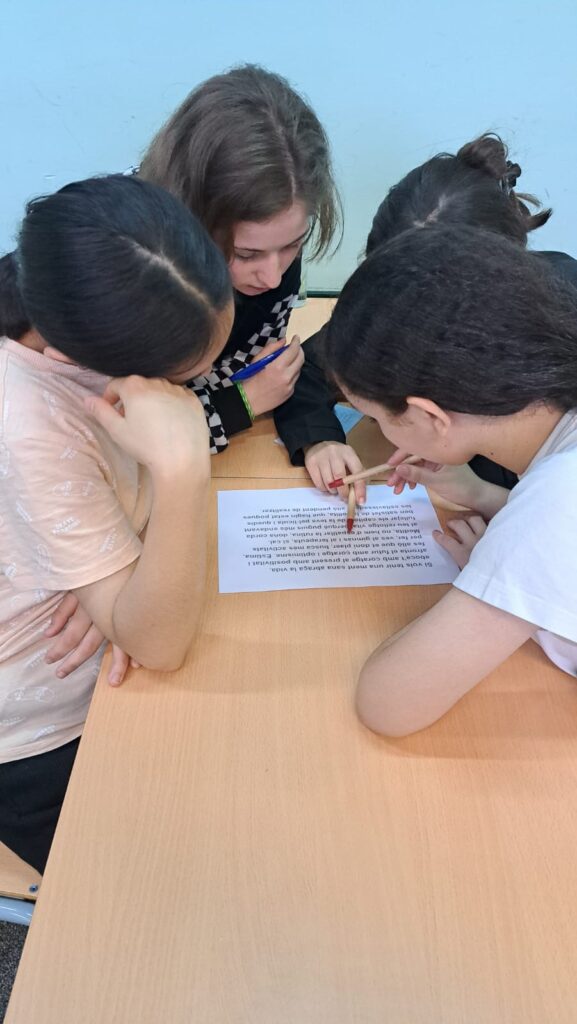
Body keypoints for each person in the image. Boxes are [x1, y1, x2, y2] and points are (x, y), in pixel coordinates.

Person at [0, 175, 233, 872]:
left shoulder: (70, 292)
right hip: (45, 729)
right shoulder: (31, 424)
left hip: (106, 644)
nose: (186, 395)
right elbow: (156, 644)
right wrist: (183, 471)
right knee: (146, 889)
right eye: (175, 383)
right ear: (75, 360)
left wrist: (119, 565)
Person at [323, 224, 577, 737]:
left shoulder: (557, 503)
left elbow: (389, 704)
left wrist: (492, 570)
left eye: (376, 417)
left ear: (430, 416)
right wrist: (481, 495)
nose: (379, 430)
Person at [291, 133, 577, 497]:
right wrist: (320, 439)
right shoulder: (390, 306)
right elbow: (309, 365)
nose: (405, 314)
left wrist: (493, 499)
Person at [139, 63, 355, 483]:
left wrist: (247, 388)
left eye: (293, 245)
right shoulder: (126, 264)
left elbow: (245, 365)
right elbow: (129, 436)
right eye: (246, 253)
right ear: (191, 223)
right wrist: (245, 400)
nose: (273, 278)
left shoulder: (271, 253)